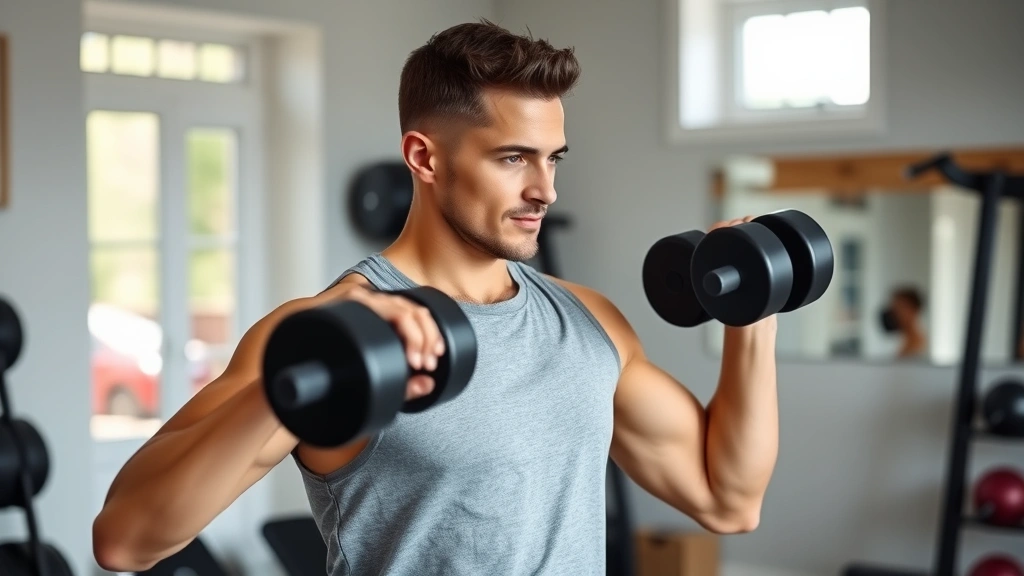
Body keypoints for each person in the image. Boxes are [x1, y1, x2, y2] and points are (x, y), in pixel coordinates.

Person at [92, 20, 779, 575]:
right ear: (424, 158)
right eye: (513, 158)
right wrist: (303, 375)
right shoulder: (324, 331)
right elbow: (125, 540)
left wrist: (756, 309)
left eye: (552, 158)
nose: (545, 189)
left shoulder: (589, 322)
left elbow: (727, 500)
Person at [880, 286, 927, 359]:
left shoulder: (918, 348)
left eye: (898, 307)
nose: (893, 313)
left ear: (913, 310)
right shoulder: (906, 344)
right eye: (893, 307)